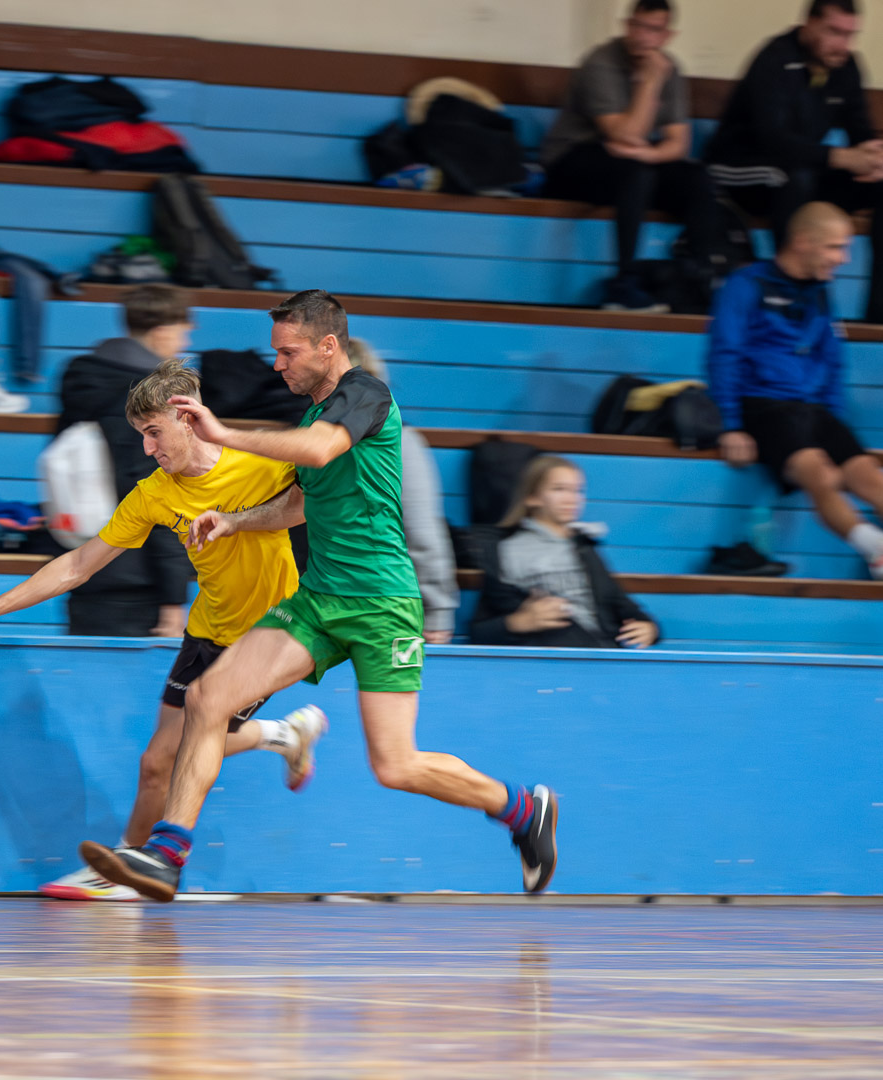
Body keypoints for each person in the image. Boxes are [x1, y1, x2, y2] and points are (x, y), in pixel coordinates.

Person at [79, 290, 559, 902]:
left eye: (288, 352)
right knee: (206, 698)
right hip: (319, 597)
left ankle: (523, 810)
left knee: (395, 766)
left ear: (328, 346)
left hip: (381, 602)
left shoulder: (366, 395)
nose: (277, 364)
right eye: (276, 352)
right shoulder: (311, 417)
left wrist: (225, 432)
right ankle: (166, 856)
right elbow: (300, 502)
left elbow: (321, 450)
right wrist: (237, 520)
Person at [0, 360, 326, 901]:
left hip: (267, 636)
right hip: (207, 629)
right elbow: (78, 564)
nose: (148, 449)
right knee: (155, 764)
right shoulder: (154, 493)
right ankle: (131, 866)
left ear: (188, 419)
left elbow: (313, 502)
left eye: (154, 433)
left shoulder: (261, 463)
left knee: (176, 752)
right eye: (141, 436)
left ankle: (129, 866)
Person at [709, 201, 883, 578]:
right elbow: (724, 355)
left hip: (812, 410)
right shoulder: (746, 284)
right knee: (819, 473)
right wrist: (730, 425)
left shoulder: (820, 292)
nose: (844, 258)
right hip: (763, 406)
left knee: (871, 477)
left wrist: (834, 423)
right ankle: (877, 551)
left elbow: (832, 361)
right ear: (803, 242)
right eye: (835, 247)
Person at [706, 0, 883, 322]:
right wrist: (840, 157)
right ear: (809, 23)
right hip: (739, 168)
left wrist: (874, 158)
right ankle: (793, 303)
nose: (843, 44)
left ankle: (877, 316)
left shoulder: (846, 66)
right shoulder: (775, 59)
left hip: (801, 170)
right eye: (834, 32)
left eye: (849, 35)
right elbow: (774, 140)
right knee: (792, 178)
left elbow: (860, 129)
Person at [541, 0, 715, 313]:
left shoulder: (669, 68)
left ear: (667, 35)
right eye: (636, 26)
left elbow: (679, 144)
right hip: (570, 160)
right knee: (636, 172)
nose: (642, 36)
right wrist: (650, 81)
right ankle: (624, 283)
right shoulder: (601, 62)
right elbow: (624, 134)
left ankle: (699, 279)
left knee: (696, 177)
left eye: (653, 29)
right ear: (627, 26)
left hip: (628, 160)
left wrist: (648, 154)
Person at [56, 284, 195, 638]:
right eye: (183, 332)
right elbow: (159, 494)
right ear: (162, 331)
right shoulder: (156, 399)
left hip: (81, 561)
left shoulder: (81, 379)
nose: (184, 343)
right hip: (138, 579)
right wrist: (173, 598)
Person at [469, 456, 662, 648]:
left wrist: (650, 628)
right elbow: (479, 633)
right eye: (559, 489)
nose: (572, 499)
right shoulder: (507, 551)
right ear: (532, 497)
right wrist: (520, 622)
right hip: (551, 659)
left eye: (577, 490)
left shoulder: (584, 547)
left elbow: (621, 604)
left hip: (602, 654)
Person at [346, 339, 458, 644]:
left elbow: (421, 537)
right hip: (376, 609)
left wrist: (435, 611)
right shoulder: (399, 441)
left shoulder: (303, 439)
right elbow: (422, 536)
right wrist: (436, 612)